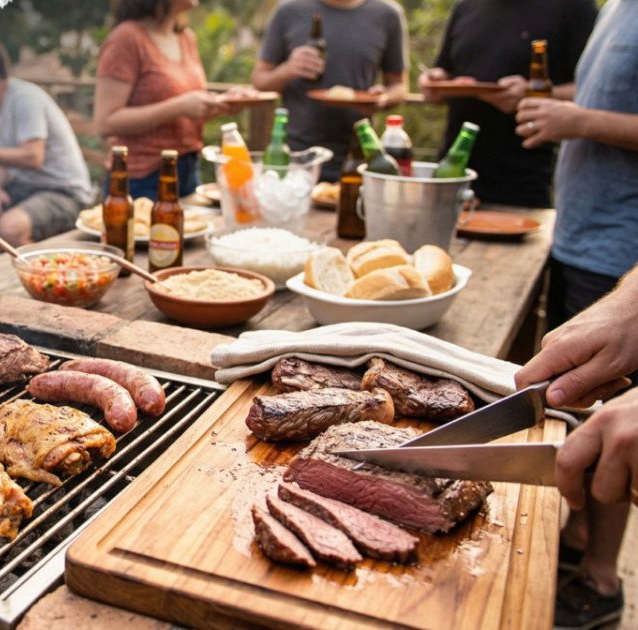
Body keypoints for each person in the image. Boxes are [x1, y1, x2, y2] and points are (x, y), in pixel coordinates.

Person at [512, 3, 638, 626]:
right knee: (582, 410)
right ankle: (578, 541)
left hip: (627, 247)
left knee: (621, 426)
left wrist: (579, 119)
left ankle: (601, 580)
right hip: (586, 242)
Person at [419, 0, 597, 208]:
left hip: (522, 182)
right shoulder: (465, 6)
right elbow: (445, 70)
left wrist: (533, 93)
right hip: (451, 175)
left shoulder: (574, 7)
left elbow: (592, 90)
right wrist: (436, 82)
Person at [94, 0, 255, 199]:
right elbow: (105, 122)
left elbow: (187, 114)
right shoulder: (126, 39)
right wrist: (179, 106)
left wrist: (225, 103)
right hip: (141, 179)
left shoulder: (185, 38)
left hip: (187, 170)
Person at [0, 39, 95, 247]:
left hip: (64, 193)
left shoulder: (25, 99)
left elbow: (33, 157)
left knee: (9, 229)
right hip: (25, 186)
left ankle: (43, 272)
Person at [252, 0, 409, 181]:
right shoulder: (289, 10)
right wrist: (287, 70)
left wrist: (384, 98)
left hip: (360, 158)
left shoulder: (387, 13)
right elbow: (259, 80)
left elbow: (399, 85)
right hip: (297, 159)